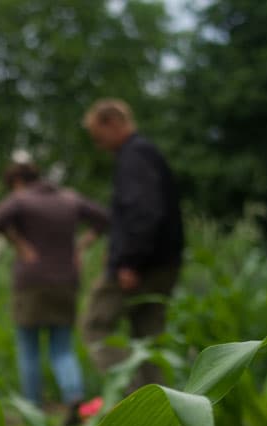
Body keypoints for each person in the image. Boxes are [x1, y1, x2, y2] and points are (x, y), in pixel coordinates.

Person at [0, 161, 110, 426]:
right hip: (67, 280)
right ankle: (74, 395)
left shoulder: (20, 198)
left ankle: (33, 409)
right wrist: (81, 247)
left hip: (31, 281)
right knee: (62, 347)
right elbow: (104, 219)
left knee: (29, 347)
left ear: (17, 181)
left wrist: (19, 245)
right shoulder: (69, 198)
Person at [80, 98, 184, 388]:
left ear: (112, 122)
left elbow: (144, 211)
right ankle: (160, 411)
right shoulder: (147, 154)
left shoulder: (134, 156)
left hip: (142, 265)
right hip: (164, 262)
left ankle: (132, 401)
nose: (99, 145)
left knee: (95, 325)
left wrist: (128, 261)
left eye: (99, 137)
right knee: (148, 338)